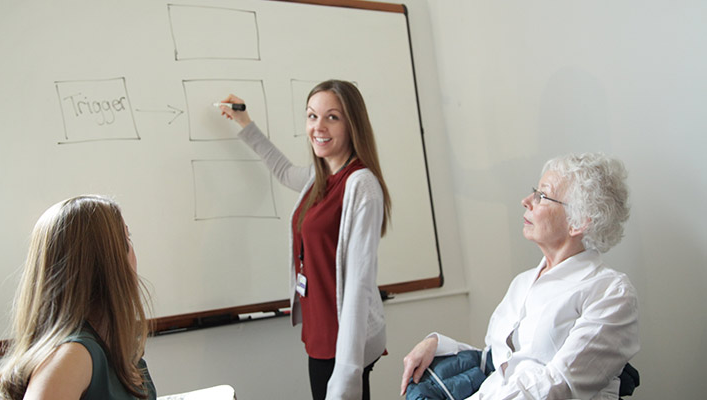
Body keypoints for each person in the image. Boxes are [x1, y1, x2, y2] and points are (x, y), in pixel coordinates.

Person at [401, 153, 639, 399]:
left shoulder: (610, 292)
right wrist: (437, 345)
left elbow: (558, 385)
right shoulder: (523, 282)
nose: (526, 200)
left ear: (578, 223)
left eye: (542, 195)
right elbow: (503, 361)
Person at [217, 79, 391, 400]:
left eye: (332, 117)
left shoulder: (360, 185)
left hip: (344, 339)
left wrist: (347, 373)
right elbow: (283, 170)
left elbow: (358, 286)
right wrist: (245, 122)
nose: (318, 127)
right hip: (321, 330)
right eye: (312, 116)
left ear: (353, 124)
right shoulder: (319, 177)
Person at [0, 195, 156, 400]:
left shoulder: (114, 346)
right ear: (106, 264)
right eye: (126, 239)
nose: (133, 252)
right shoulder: (73, 356)